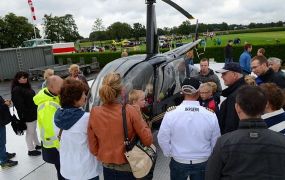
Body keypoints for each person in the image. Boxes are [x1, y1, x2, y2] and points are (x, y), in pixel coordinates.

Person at [205, 86, 285, 180]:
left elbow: (211, 176)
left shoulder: (224, 142)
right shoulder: (281, 141)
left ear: (237, 107)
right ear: (264, 106)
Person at [88, 72, 153, 180]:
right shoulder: (130, 111)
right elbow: (148, 140)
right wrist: (140, 116)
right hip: (128, 168)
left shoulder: (94, 112)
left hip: (107, 168)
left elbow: (93, 148)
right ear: (122, 91)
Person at [158, 78, 220, 180]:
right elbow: (216, 140)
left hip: (179, 160)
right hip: (202, 160)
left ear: (182, 92)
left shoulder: (171, 114)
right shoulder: (210, 114)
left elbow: (162, 138)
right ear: (198, 92)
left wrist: (170, 153)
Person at [54, 79, 102, 180]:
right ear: (75, 99)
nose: (85, 97)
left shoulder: (56, 116)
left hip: (67, 170)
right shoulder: (87, 118)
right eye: (83, 94)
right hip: (86, 170)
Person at [33, 75, 64, 180]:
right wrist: (62, 148)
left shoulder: (53, 96)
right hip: (55, 147)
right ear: (52, 87)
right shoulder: (48, 106)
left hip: (55, 146)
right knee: (62, 172)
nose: (64, 88)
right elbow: (52, 131)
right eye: (61, 86)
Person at [11, 71, 41, 156]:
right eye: (23, 78)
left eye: (26, 77)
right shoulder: (17, 89)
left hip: (33, 112)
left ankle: (37, 144)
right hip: (27, 115)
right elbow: (19, 105)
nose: (26, 79)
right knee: (30, 132)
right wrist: (24, 115)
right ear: (18, 79)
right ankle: (30, 150)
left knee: (33, 130)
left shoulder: (26, 87)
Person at [216, 63, 246, 134]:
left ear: (235, 75)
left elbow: (231, 126)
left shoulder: (234, 96)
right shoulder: (245, 89)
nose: (221, 77)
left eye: (224, 74)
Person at [0, 96, 18, 168]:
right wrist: (5, 104)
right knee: (1, 142)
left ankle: (3, 154)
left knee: (2, 141)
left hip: (1, 122)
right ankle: (4, 162)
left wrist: (4, 102)